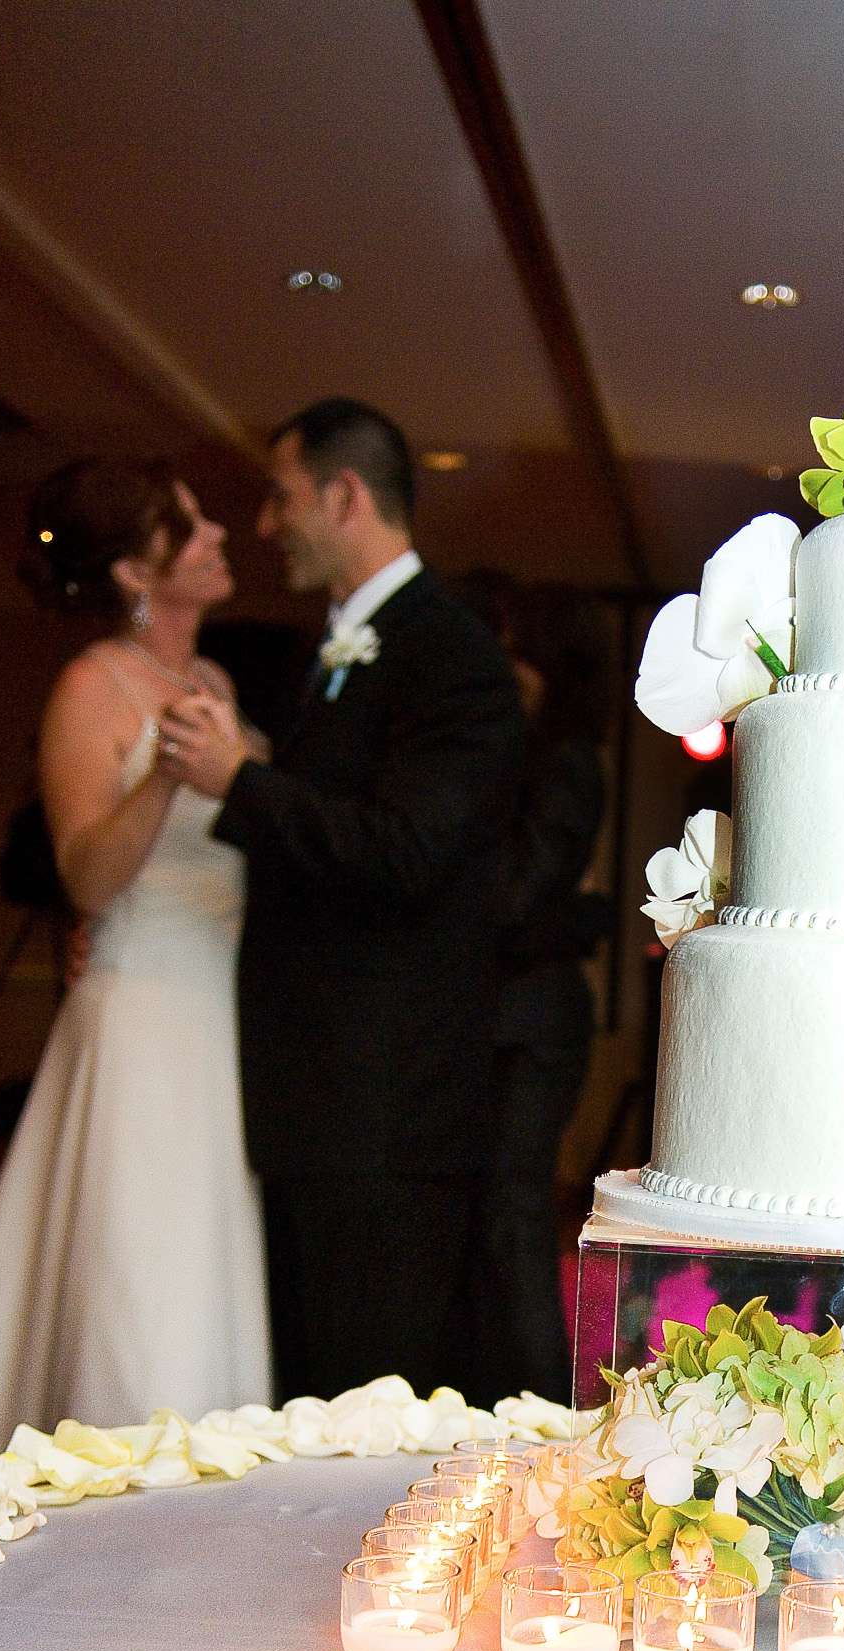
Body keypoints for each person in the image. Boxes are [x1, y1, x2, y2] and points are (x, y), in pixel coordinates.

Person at [0, 460, 271, 1453]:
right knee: (137, 1272)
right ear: (134, 573)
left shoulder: (219, 683)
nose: (218, 537)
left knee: (200, 1264)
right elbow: (87, 881)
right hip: (142, 1011)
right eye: (190, 529)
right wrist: (161, 776)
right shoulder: (92, 685)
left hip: (221, 1012)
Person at [159, 399, 524, 1404]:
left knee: (364, 1409)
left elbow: (407, 851)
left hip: (383, 1115)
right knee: (308, 1398)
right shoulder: (336, 650)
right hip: (320, 1104)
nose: (268, 525)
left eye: (280, 499)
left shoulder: (449, 656)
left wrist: (240, 780)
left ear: (343, 494)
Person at [461, 579, 608, 1401]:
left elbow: (521, 894)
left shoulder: (564, 762)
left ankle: (542, 1409)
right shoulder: (534, 756)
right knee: (496, 1215)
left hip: (533, 1023)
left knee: (514, 1216)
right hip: (511, 1016)